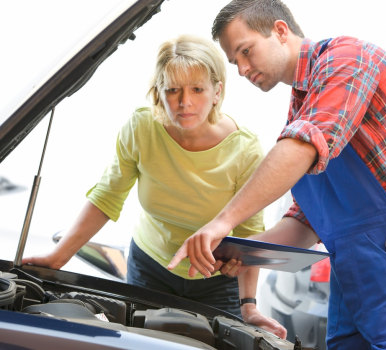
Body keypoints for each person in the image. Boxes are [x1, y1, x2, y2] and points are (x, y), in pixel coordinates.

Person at [167, 1, 386, 349]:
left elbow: (302, 146)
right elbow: (306, 222)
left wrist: (222, 222)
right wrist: (243, 253)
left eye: (246, 51)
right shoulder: (304, 103)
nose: (242, 69)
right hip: (354, 279)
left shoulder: (350, 60)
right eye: (234, 61)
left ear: (280, 31)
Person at [22, 34, 286, 338]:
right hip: (149, 269)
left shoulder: (245, 150)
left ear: (217, 92)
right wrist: (59, 257)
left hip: (215, 282)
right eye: (172, 89)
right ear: (158, 92)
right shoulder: (142, 127)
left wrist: (249, 306)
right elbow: (108, 195)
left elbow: (248, 231)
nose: (184, 102)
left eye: (197, 89)